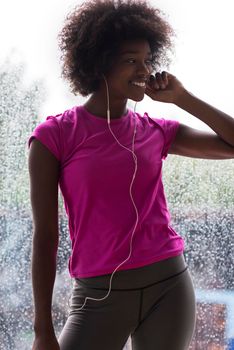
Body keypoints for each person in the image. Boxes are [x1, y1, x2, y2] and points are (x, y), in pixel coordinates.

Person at [28, 1, 234, 349]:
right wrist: (42, 330)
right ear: (99, 63)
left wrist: (182, 97)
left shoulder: (156, 130)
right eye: (130, 60)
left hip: (169, 286)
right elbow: (46, 237)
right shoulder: (54, 136)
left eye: (146, 59)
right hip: (97, 295)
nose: (144, 70)